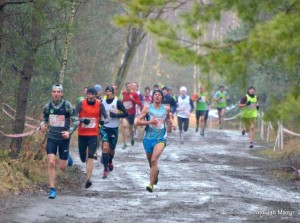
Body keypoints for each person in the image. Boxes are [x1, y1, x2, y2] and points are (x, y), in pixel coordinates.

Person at [40, 84, 78, 199]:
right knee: (51, 162)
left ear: (62, 93)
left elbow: (76, 120)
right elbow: (44, 119)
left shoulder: (67, 106)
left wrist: (69, 132)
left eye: (58, 92)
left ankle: (68, 158)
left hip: (63, 139)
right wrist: (42, 126)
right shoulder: (48, 106)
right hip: (51, 137)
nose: (56, 94)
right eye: (54, 92)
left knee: (62, 167)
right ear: (51, 93)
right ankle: (52, 189)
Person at [135, 89, 176, 192]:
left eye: (159, 95)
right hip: (148, 139)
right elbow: (137, 122)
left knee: (154, 160)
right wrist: (149, 122)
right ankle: (155, 174)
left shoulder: (166, 108)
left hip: (160, 138)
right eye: (155, 95)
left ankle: (151, 184)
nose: (157, 96)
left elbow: (168, 118)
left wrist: (172, 123)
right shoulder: (147, 108)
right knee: (151, 163)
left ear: (162, 97)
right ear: (153, 97)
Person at [75, 87, 109, 187]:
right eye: (88, 94)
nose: (90, 96)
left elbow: (107, 118)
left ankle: (88, 179)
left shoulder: (99, 104)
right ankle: (83, 159)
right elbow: (74, 115)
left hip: (93, 134)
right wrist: (82, 120)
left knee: (90, 156)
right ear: (87, 95)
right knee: (82, 157)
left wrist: (103, 122)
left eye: (92, 94)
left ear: (95, 95)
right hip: (82, 134)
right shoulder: (81, 103)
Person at [100, 86, 128, 179]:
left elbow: (125, 113)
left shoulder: (117, 102)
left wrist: (116, 115)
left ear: (113, 93)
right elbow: (98, 112)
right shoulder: (102, 102)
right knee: (105, 147)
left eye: (109, 91)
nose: (108, 92)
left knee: (111, 150)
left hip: (114, 129)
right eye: (106, 91)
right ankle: (105, 169)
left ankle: (110, 161)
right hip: (104, 127)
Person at [121, 82, 143, 149]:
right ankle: (125, 142)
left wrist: (133, 99)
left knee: (131, 128)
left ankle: (132, 137)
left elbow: (140, 104)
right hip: (125, 113)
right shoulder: (123, 93)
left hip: (132, 114)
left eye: (130, 86)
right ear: (126, 87)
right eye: (127, 86)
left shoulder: (134, 94)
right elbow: (120, 102)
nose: (129, 87)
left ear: (131, 87)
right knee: (124, 126)